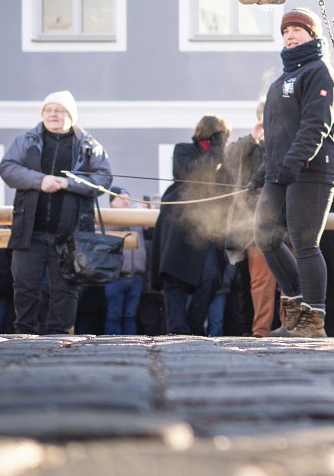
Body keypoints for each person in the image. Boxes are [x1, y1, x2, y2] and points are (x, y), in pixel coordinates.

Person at [254, 9, 334, 337]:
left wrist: (293, 162)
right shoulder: (279, 82)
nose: (290, 35)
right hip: (280, 173)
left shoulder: (320, 71)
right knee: (264, 236)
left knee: (305, 242)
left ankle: (313, 318)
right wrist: (262, 172)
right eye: (285, 31)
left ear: (312, 35)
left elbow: (316, 124)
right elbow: (276, 135)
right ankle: (294, 306)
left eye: (297, 29)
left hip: (312, 170)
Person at [0, 90, 113, 334]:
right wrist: (40, 181)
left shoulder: (89, 145)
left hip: (70, 233)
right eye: (49, 110)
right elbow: (7, 169)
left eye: (59, 110)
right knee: (25, 286)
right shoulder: (25, 141)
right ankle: (24, 333)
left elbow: (104, 179)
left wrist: (68, 184)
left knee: (66, 288)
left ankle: (59, 336)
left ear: (71, 116)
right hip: (30, 231)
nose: (53, 114)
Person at [154, 115, 232, 334]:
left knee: (211, 276)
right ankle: (177, 329)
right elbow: (192, 176)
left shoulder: (223, 158)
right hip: (179, 223)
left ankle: (195, 325)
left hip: (207, 226)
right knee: (174, 277)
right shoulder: (184, 150)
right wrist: (215, 151)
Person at [225, 99, 276, 336]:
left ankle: (291, 327)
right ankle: (259, 330)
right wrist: (253, 138)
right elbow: (229, 159)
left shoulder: (287, 139)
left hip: (284, 219)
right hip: (254, 224)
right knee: (260, 281)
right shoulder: (248, 144)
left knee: (290, 281)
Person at [103, 192, 148, 335]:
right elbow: (109, 230)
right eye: (122, 199)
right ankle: (112, 344)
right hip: (116, 276)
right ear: (112, 202)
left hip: (136, 276)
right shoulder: (108, 218)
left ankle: (131, 344)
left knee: (130, 316)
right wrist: (136, 212)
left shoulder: (135, 218)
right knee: (114, 316)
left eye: (128, 199)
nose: (126, 202)